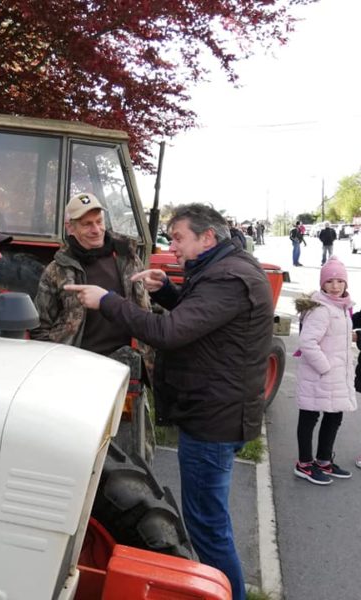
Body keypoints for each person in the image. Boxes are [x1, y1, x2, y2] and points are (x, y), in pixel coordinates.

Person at [64, 203, 273, 600]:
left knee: (207, 526)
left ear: (207, 237)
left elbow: (171, 333)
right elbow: (206, 324)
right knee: (207, 519)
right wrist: (173, 292)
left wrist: (107, 300)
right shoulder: (225, 269)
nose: (172, 246)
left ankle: (224, 594)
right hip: (214, 411)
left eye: (178, 237)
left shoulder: (228, 278)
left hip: (212, 418)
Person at [30, 192, 155, 457]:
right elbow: (40, 327)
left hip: (126, 370)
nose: (96, 229)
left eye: (99, 221)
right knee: (80, 450)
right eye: (87, 224)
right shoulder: (56, 270)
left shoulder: (127, 258)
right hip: (79, 372)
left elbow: (146, 309)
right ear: (70, 228)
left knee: (135, 450)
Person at [293, 257, 356, 484]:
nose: (336, 286)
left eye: (340, 281)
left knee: (334, 416)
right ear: (323, 284)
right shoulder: (322, 309)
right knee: (310, 417)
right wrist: (325, 367)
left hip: (336, 376)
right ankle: (304, 463)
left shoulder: (342, 307)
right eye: (330, 281)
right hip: (320, 376)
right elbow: (307, 342)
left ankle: (323, 460)